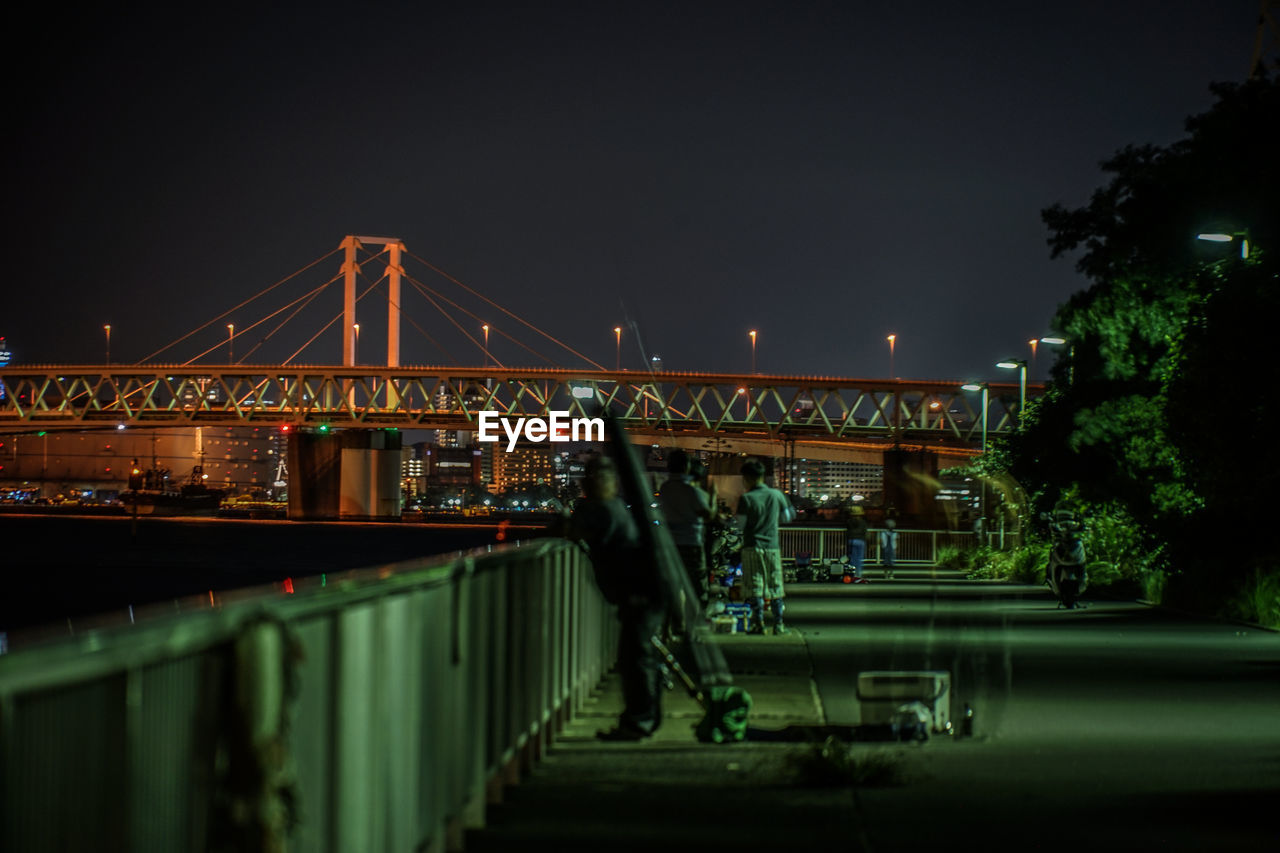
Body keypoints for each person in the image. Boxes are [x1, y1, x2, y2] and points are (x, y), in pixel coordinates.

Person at [568, 456, 667, 740]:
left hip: (640, 593)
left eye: (594, 477)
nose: (589, 482)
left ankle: (641, 720)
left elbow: (574, 531)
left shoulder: (600, 510)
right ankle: (642, 717)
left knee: (636, 659)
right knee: (637, 657)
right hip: (646, 590)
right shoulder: (616, 508)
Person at [734, 458, 796, 634]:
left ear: (747, 478)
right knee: (775, 586)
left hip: (751, 546)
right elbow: (787, 517)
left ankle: (758, 623)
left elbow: (740, 525)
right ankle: (778, 625)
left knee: (754, 587)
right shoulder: (777, 495)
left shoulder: (746, 498)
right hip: (772, 547)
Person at [657, 450, 717, 620]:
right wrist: (712, 498)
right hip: (692, 543)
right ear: (687, 467)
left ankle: (671, 626)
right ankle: (694, 625)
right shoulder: (691, 492)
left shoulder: (665, 488)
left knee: (673, 586)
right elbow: (708, 515)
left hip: (670, 545)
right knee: (697, 586)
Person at [844, 504, 869, 583]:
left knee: (852, 558)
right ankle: (858, 574)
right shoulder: (863, 522)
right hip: (861, 541)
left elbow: (847, 531)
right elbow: (865, 532)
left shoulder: (849, 521)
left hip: (851, 540)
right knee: (859, 559)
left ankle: (852, 574)